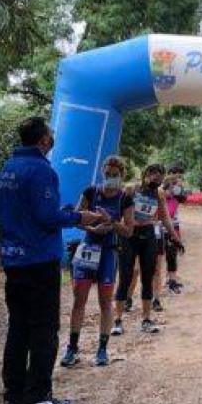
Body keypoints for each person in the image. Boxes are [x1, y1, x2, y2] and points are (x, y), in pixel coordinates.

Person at [0, 117, 106, 404]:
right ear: (43, 139)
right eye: (50, 134)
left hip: (13, 259)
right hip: (39, 259)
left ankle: (13, 394)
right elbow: (46, 217)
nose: (52, 137)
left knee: (18, 327)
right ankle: (38, 397)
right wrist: (79, 217)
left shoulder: (8, 168)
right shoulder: (41, 170)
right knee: (44, 328)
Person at [60, 156, 132, 368]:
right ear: (102, 172)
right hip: (88, 249)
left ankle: (102, 349)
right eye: (108, 174)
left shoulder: (125, 198)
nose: (110, 178)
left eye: (115, 175)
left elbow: (129, 230)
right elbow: (76, 218)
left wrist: (111, 222)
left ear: (122, 176)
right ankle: (72, 348)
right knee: (79, 300)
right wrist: (92, 228)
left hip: (109, 253)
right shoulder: (91, 192)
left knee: (105, 302)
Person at [121, 163, 181, 334]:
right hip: (131, 235)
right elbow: (119, 211)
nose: (155, 177)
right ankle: (124, 304)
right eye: (152, 174)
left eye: (159, 175)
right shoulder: (132, 189)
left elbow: (165, 217)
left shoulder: (159, 193)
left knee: (153, 271)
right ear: (145, 174)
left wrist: (175, 237)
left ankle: (151, 308)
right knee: (132, 271)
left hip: (151, 234)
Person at [162, 166, 188, 295]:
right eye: (176, 185)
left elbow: (186, 199)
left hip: (174, 227)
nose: (178, 187)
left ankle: (171, 280)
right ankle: (160, 282)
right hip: (161, 229)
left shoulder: (176, 195)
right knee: (159, 256)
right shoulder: (160, 195)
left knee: (172, 254)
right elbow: (169, 213)